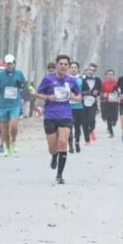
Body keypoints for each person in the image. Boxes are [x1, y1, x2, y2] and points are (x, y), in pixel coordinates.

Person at [33, 54, 82, 184]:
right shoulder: (48, 79)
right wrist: (48, 98)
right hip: (50, 115)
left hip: (65, 115)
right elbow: (37, 93)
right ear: (56, 65)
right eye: (61, 64)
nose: (63, 66)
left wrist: (73, 97)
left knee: (63, 142)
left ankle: (59, 175)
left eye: (66, 64)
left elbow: (79, 96)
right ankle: (54, 156)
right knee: (52, 148)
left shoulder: (71, 81)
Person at [0, 54, 26, 156]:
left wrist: (20, 85)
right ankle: (7, 148)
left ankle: (14, 141)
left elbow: (24, 85)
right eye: (7, 64)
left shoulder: (19, 73)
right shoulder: (0, 75)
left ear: (14, 64)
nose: (9, 66)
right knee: (5, 128)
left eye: (11, 64)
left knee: (14, 126)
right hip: (3, 104)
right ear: (5, 64)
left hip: (14, 104)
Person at [81, 64, 102, 144]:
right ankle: (87, 139)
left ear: (95, 71)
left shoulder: (98, 80)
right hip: (83, 102)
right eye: (90, 70)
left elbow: (100, 90)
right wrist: (86, 93)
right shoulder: (82, 79)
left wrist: (98, 92)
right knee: (84, 122)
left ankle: (91, 130)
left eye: (93, 70)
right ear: (87, 70)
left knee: (91, 119)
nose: (91, 71)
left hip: (93, 103)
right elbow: (79, 90)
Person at [68, 61, 86, 152]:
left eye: (75, 67)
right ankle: (70, 145)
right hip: (68, 107)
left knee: (77, 127)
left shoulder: (82, 79)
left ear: (78, 69)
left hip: (79, 107)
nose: (73, 69)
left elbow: (87, 91)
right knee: (69, 126)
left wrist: (81, 95)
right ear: (69, 69)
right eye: (71, 67)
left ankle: (77, 142)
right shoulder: (65, 79)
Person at [100, 69, 119, 137]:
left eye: (111, 74)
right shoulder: (104, 83)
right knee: (108, 117)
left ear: (114, 75)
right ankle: (110, 131)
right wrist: (103, 95)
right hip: (107, 102)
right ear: (107, 75)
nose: (110, 76)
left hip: (114, 102)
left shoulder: (117, 83)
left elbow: (120, 91)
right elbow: (101, 92)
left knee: (114, 117)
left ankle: (114, 122)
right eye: (109, 74)